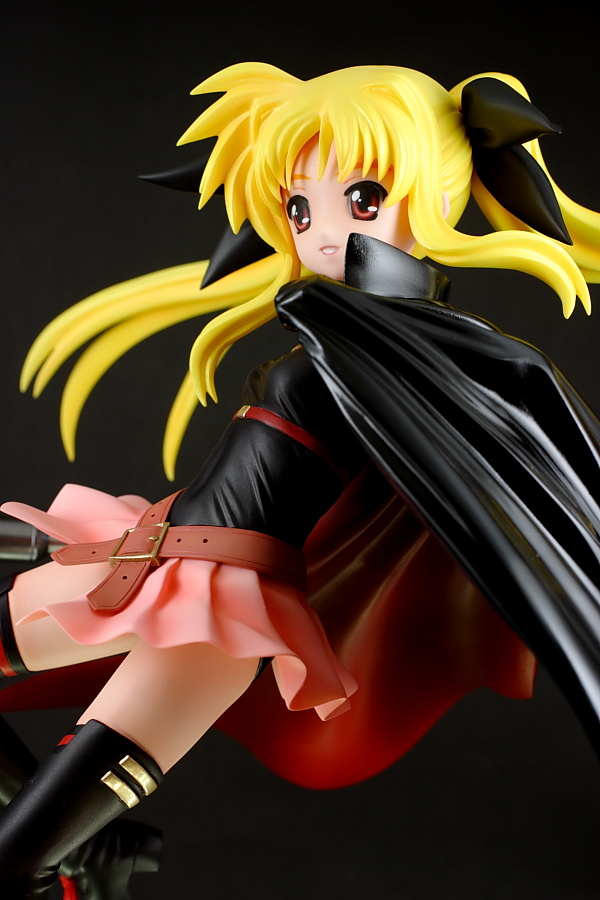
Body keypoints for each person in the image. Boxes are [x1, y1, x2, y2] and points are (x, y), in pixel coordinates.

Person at [0, 63, 599, 898]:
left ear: (435, 195)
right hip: (145, 561)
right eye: (299, 208)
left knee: (17, 863)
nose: (320, 233)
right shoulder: (338, 332)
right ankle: (95, 853)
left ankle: (78, 859)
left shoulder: (415, 354)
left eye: (362, 197)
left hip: (213, 620)